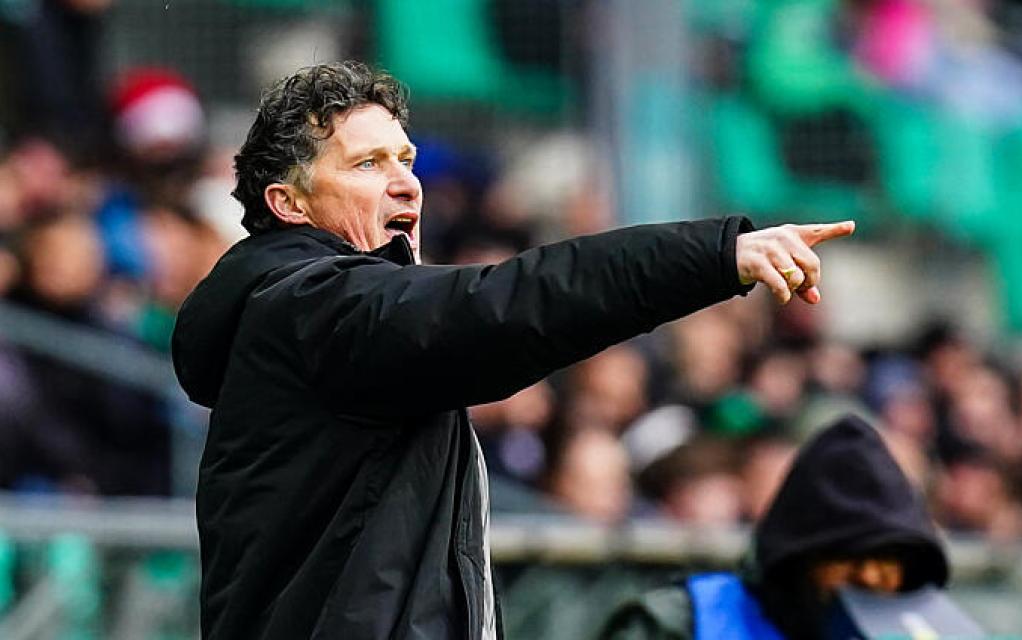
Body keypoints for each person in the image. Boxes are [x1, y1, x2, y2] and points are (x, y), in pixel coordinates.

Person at [171, 60, 854, 640]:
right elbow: (515, 304)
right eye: (367, 164)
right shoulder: (312, 308)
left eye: (405, 159)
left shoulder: (321, 322)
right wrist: (714, 257)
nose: (406, 182)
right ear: (289, 203)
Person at [598, 414, 950, 640]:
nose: (870, 577)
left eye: (890, 560)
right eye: (850, 558)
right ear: (803, 555)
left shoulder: (926, 633)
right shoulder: (681, 623)